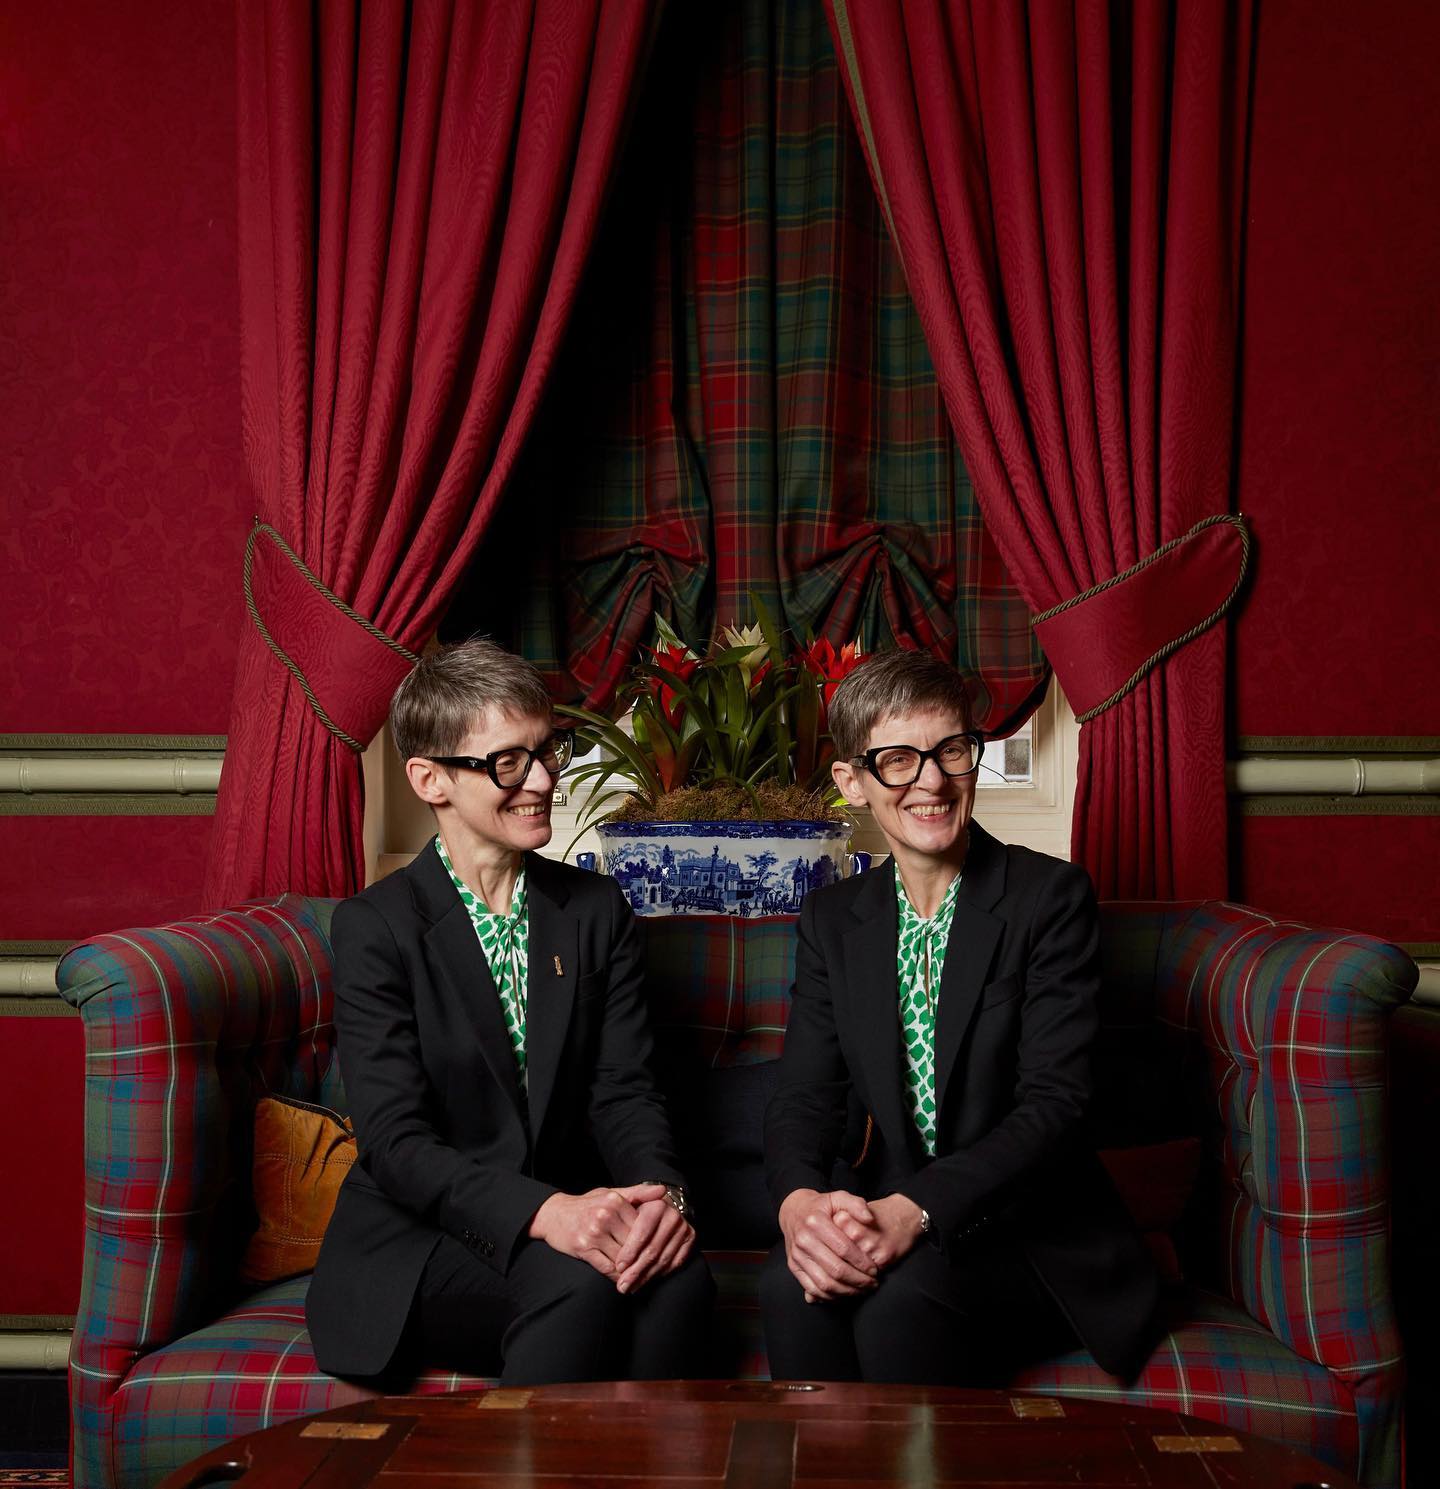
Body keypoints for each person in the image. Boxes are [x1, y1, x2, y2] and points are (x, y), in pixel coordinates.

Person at [307, 639, 713, 1384]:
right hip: (419, 1238)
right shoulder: (377, 927)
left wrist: (663, 1200)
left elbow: (624, 1092)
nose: (543, 779)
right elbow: (396, 1143)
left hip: (568, 1216)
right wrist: (546, 1213)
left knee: (681, 1285)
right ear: (429, 779)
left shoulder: (594, 910)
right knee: (576, 1288)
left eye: (547, 751)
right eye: (507, 762)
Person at [761, 649, 1156, 1384]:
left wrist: (915, 1209)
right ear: (851, 782)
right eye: (898, 760)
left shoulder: (1050, 899)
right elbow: (803, 1097)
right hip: (892, 1214)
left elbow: (1056, 1106)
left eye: (950, 750)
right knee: (792, 1289)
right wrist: (800, 1205)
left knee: (898, 1301)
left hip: (1029, 1233)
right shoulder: (833, 919)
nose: (932, 781)